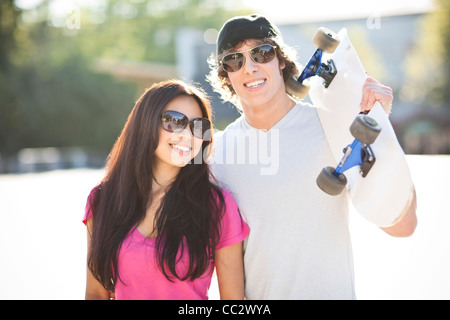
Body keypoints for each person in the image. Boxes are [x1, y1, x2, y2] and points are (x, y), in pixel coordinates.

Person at [206, 14, 417, 299]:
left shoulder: (332, 124)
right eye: (235, 60)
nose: (250, 68)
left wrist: (381, 128)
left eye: (262, 53)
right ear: (226, 74)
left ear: (281, 59)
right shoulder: (217, 155)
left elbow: (403, 225)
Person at [83, 80, 249, 300]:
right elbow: (95, 293)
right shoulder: (103, 200)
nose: (188, 136)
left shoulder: (217, 206)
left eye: (198, 127)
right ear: (146, 123)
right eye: (174, 121)